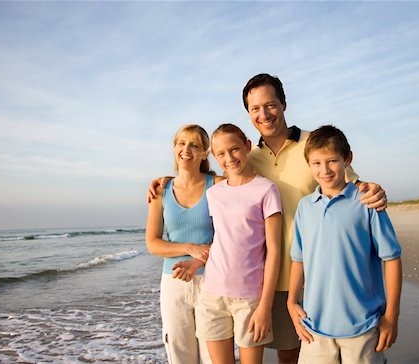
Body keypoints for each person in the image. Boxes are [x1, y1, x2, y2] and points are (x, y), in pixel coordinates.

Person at [149, 73, 387, 363]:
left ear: (283, 104)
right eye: (255, 109)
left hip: (316, 273)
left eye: (270, 105)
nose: (264, 114)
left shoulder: (313, 145)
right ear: (248, 115)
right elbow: (220, 183)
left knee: (315, 352)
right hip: (266, 279)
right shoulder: (251, 156)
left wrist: (370, 187)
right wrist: (170, 180)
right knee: (287, 352)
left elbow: (348, 184)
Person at [287, 125, 402, 364]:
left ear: (347, 159)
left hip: (363, 326)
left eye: (332, 161)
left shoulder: (367, 202)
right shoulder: (305, 207)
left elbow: (391, 258)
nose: (325, 170)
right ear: (308, 164)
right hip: (314, 326)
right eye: (316, 163)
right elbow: (299, 259)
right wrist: (291, 301)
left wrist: (392, 315)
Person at [192, 123, 282, 364]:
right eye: (220, 153)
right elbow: (222, 239)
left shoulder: (266, 189)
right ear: (214, 156)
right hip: (212, 294)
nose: (229, 158)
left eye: (234, 149)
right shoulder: (214, 193)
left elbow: (274, 250)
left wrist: (265, 305)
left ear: (247, 147)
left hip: (250, 298)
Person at [145, 124, 223, 364]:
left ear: (204, 153)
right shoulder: (160, 190)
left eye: (194, 145)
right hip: (173, 282)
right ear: (174, 148)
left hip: (212, 280)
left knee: (212, 354)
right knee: (180, 354)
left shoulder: (218, 185)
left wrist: (198, 257)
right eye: (181, 143)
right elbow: (153, 243)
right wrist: (189, 248)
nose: (186, 149)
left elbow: (229, 235)